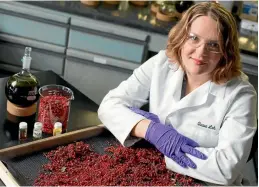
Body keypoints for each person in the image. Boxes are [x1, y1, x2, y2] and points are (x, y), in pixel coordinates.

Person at [98, 2, 257, 185]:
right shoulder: (162, 63)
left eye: (213, 44)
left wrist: (170, 150)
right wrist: (150, 130)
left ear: (226, 51)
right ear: (182, 36)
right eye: (194, 38)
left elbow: (226, 168)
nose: (201, 52)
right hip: (156, 174)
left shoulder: (241, 95)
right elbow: (109, 105)